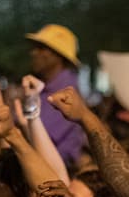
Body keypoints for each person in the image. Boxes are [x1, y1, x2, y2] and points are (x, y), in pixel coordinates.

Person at [26, 23, 87, 166]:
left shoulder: (66, 94)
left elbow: (38, 136)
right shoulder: (45, 89)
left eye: (41, 48)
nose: (33, 53)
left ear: (58, 55)